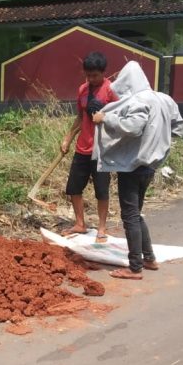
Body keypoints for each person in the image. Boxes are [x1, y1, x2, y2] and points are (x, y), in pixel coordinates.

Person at [91, 62, 183, 280]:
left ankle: (135, 267)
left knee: (130, 215)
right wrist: (159, 137)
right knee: (136, 213)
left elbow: (132, 127)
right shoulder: (164, 99)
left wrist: (106, 118)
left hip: (133, 165)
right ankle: (149, 258)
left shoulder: (138, 100)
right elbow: (179, 127)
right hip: (152, 164)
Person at [60, 51, 118, 242]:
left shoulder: (111, 91)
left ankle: (102, 228)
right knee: (73, 188)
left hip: (102, 149)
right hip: (82, 147)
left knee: (102, 190)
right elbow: (80, 117)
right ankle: (80, 224)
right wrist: (68, 138)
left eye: (95, 75)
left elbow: (120, 118)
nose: (91, 79)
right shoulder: (83, 90)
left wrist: (104, 116)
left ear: (103, 73)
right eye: (88, 75)